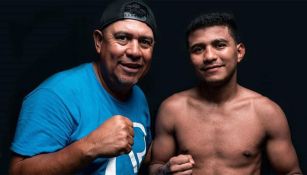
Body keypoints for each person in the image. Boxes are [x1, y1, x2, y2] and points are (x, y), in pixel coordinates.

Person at [9, 0, 157, 174]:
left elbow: (138, 155)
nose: (135, 51)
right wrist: (91, 146)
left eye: (145, 42)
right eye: (122, 38)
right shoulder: (56, 95)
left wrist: (165, 167)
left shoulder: (137, 95)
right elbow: (17, 171)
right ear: (99, 42)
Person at [149, 12, 302, 175]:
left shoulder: (266, 112)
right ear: (190, 57)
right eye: (198, 49)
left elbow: (291, 172)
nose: (209, 56)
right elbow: (155, 166)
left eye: (219, 45)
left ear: (240, 52)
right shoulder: (172, 109)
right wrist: (164, 171)